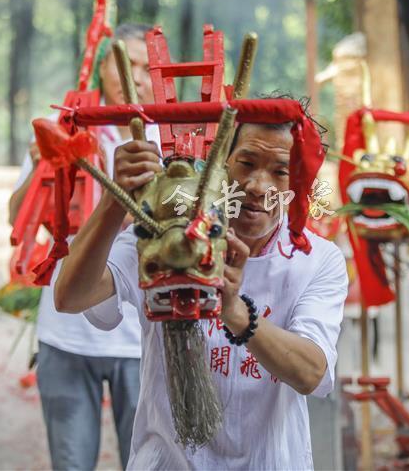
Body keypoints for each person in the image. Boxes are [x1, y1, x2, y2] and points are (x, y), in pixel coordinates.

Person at [55, 113, 349, 469]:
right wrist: (115, 200)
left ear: (299, 181)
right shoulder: (164, 238)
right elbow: (69, 297)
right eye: (247, 163)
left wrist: (236, 312)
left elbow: (311, 373)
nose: (258, 185)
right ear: (220, 164)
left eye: (280, 171)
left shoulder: (317, 260)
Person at [9, 23, 158, 470]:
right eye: (125, 63)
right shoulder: (65, 129)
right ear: (102, 68)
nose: (136, 76)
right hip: (66, 331)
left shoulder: (170, 140)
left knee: (150, 462)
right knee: (71, 463)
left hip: (143, 338)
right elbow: (20, 219)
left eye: (146, 67)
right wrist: (41, 169)